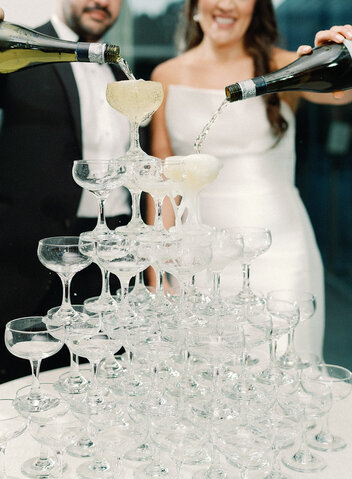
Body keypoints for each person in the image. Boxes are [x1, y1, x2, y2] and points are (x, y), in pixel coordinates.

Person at [150, 0, 352, 359]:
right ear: (195, 5)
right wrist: (156, 274)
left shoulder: (283, 65)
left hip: (278, 253)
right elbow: (163, 188)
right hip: (195, 259)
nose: (226, 4)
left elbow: (343, 94)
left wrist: (345, 53)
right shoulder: (165, 76)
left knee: (283, 377)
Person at [0, 1, 132, 386]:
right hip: (21, 266)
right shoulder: (13, 43)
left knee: (105, 394)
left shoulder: (118, 69)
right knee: (26, 397)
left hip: (105, 272)